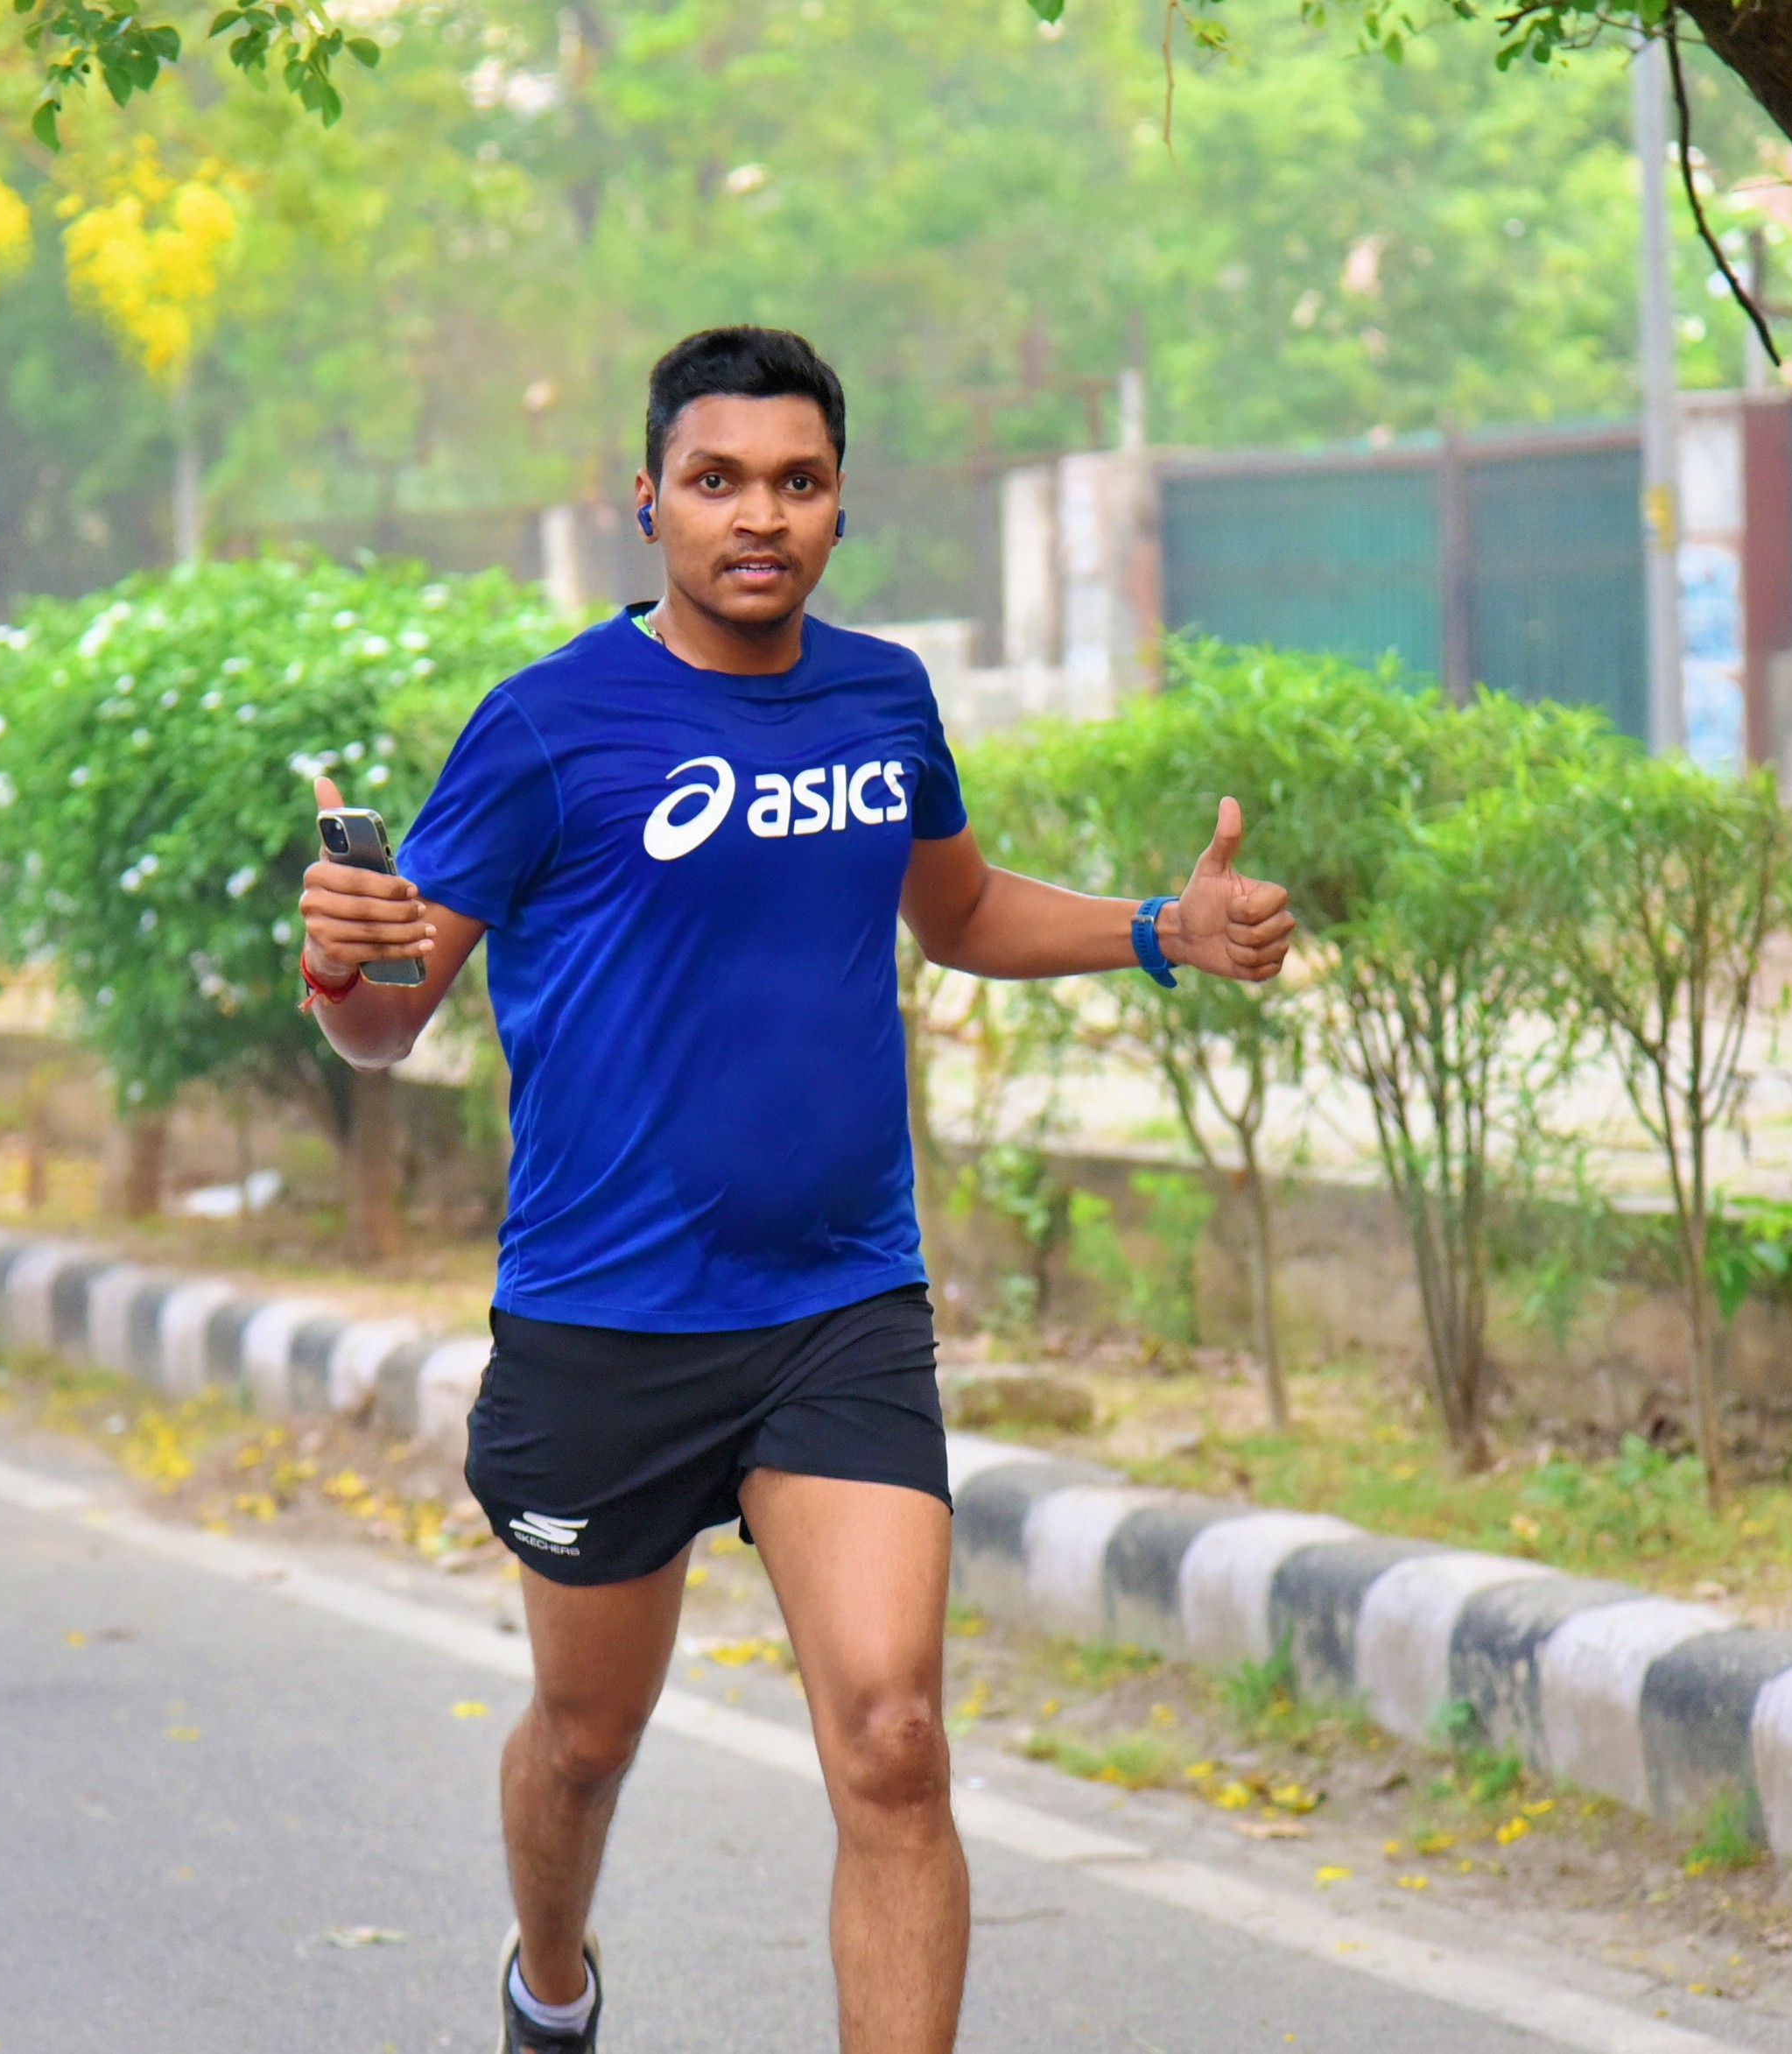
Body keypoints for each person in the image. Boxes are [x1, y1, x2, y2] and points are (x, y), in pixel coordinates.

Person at [296, 326, 1294, 2054]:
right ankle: (550, 1984)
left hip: (838, 1302)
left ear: (838, 505)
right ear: (647, 502)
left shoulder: (880, 699)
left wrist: (1157, 929)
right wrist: (339, 961)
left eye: (796, 481)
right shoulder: (546, 727)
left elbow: (956, 911)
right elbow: (387, 1022)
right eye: (716, 480)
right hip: (605, 1322)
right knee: (585, 1741)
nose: (757, 514)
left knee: (894, 1743)